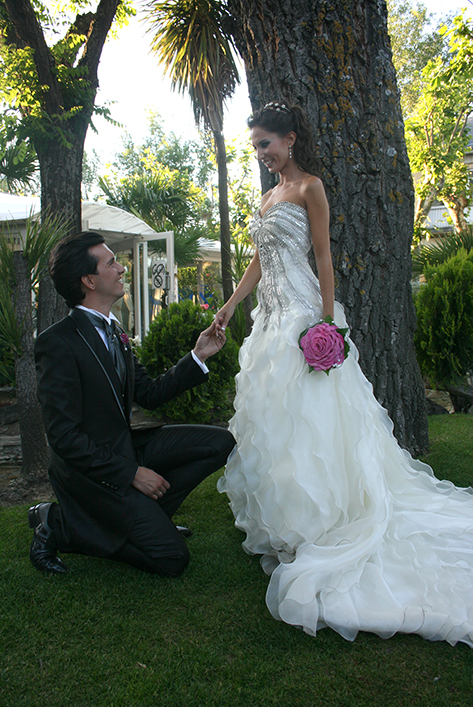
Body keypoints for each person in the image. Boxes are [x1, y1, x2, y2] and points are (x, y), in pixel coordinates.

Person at [215, 101, 473, 647]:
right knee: (277, 421)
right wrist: (233, 304)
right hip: (269, 317)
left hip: (304, 314)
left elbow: (324, 256)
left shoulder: (310, 186)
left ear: (289, 138)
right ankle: (289, 519)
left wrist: (328, 323)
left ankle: (327, 518)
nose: (261, 155)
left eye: (266, 144)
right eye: (255, 147)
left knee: (314, 417)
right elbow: (260, 258)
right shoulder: (266, 197)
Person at [31, 231, 235, 577]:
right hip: (94, 474)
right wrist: (131, 474)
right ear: (89, 280)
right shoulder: (57, 343)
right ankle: (58, 525)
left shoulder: (116, 333)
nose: (122, 269)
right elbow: (64, 438)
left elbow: (149, 394)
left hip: (127, 447)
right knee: (172, 560)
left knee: (220, 443)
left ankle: (153, 518)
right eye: (111, 263)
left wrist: (197, 356)